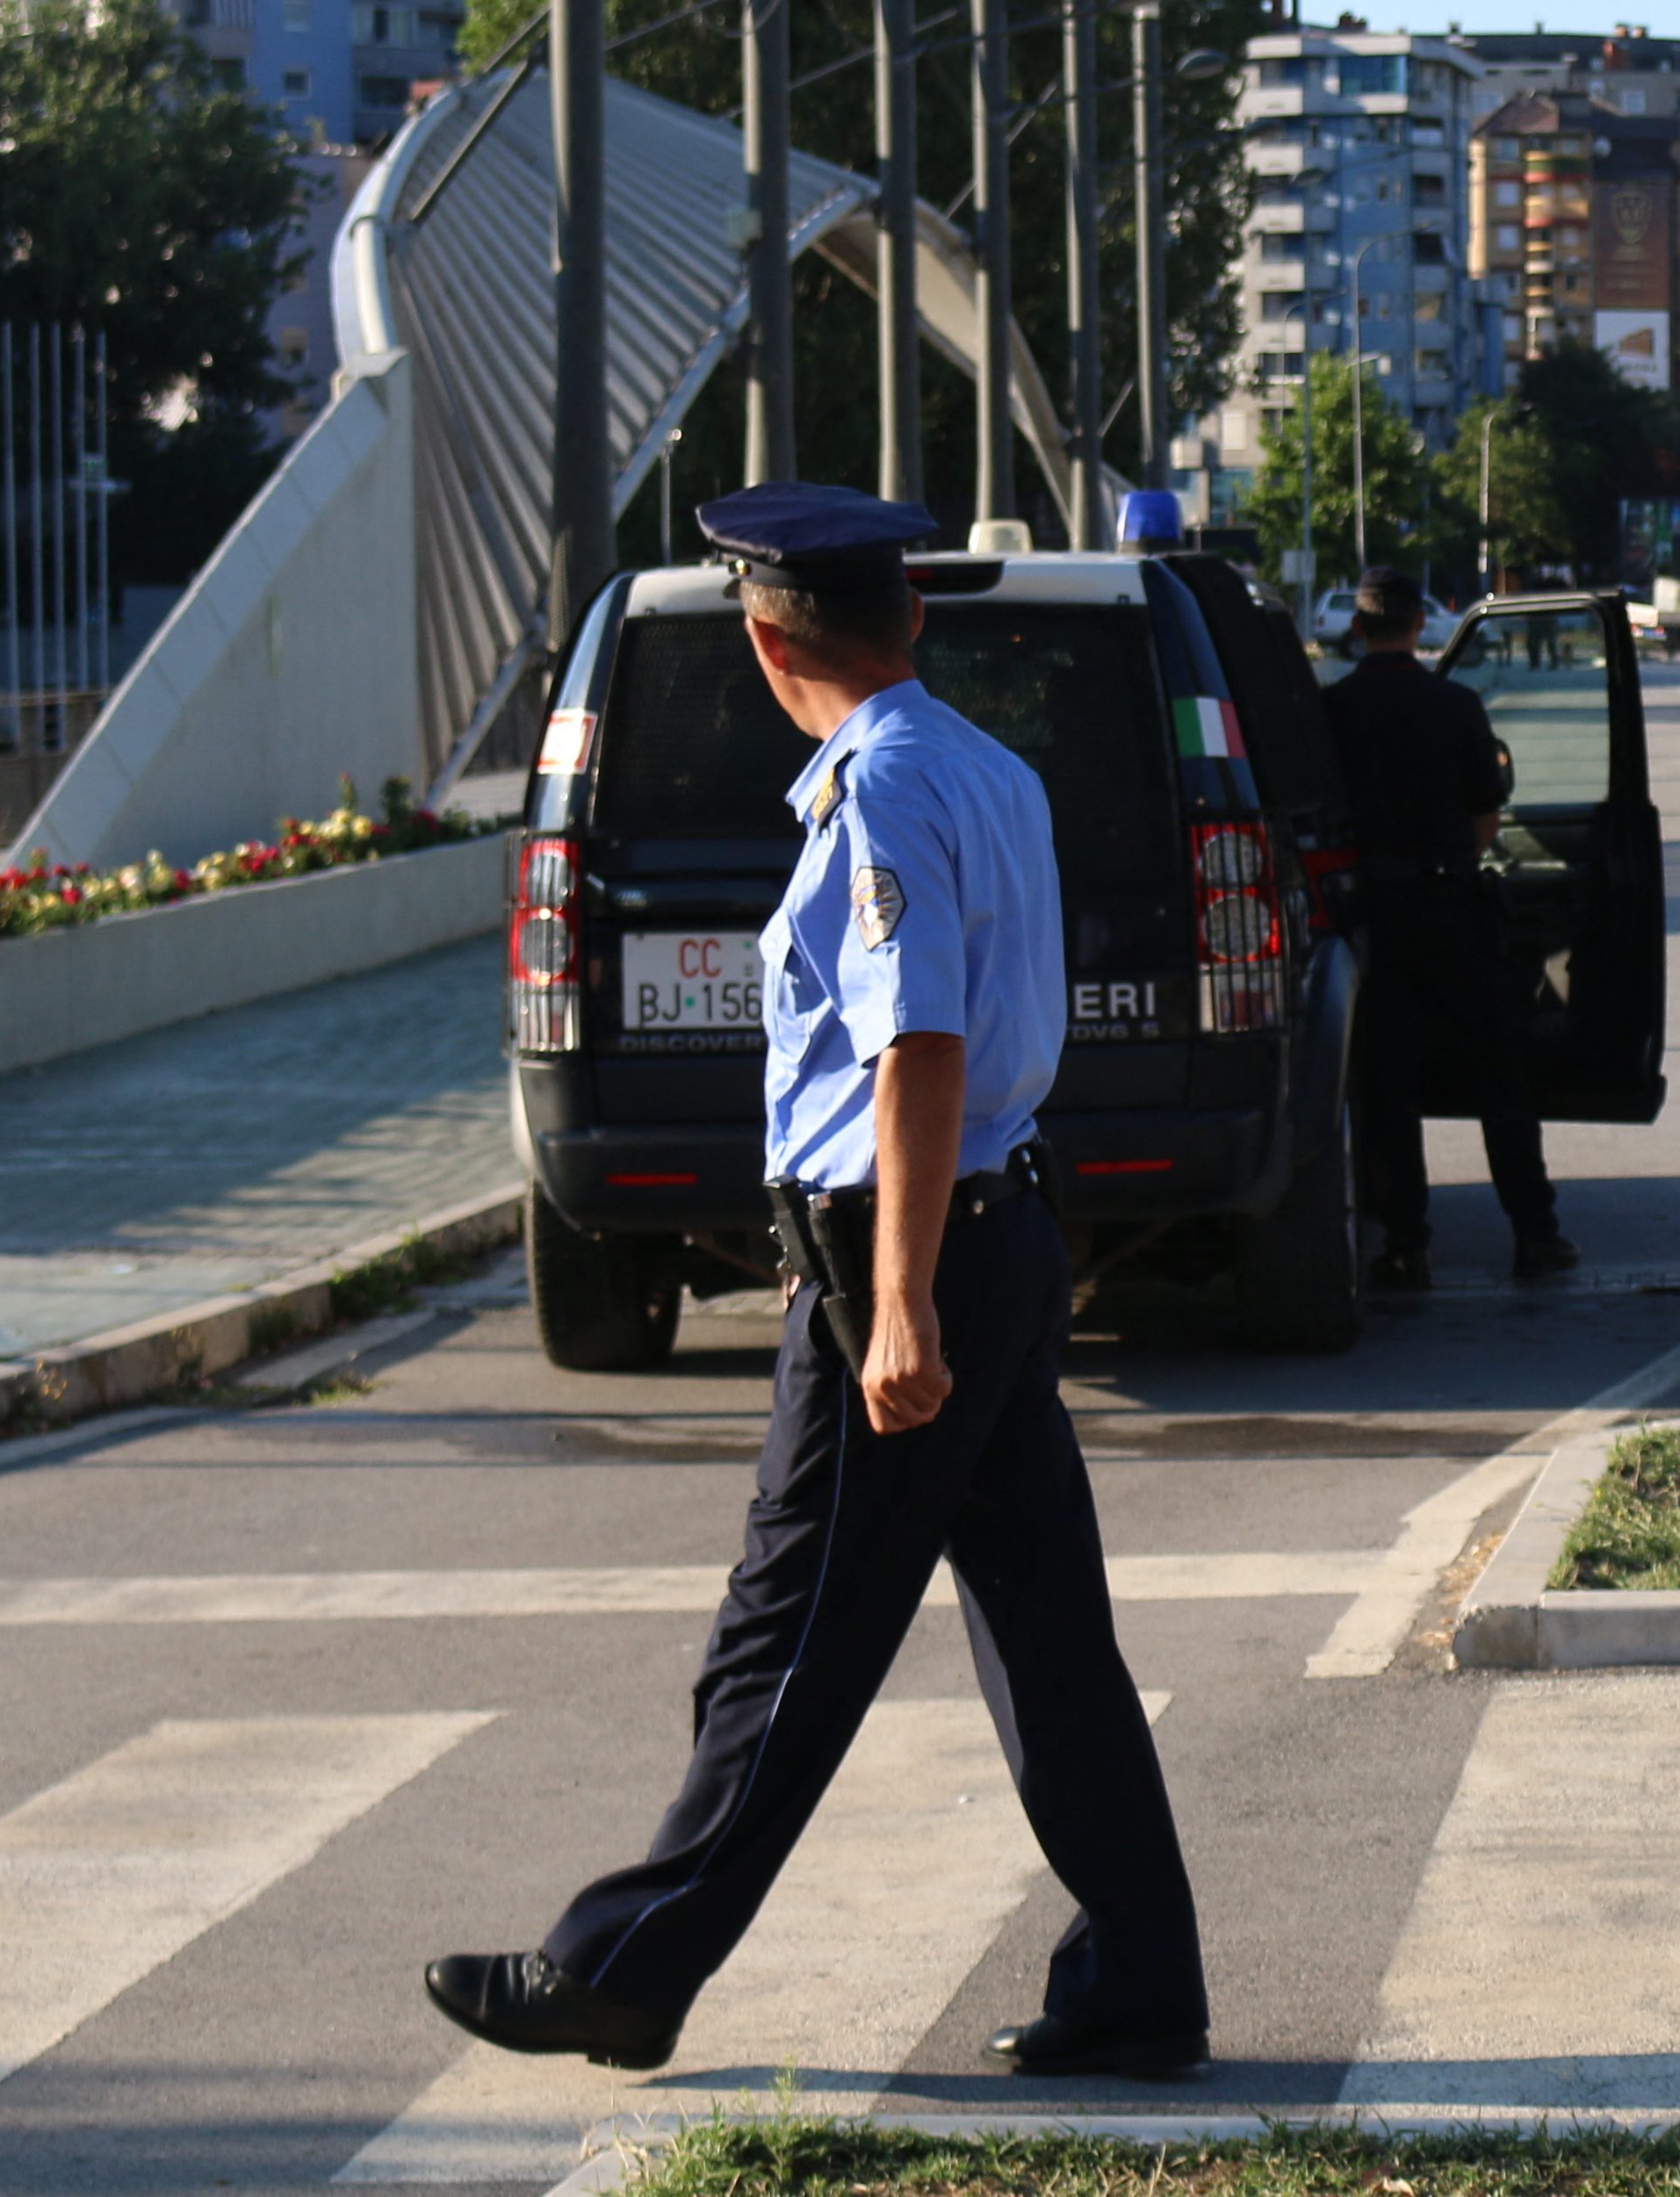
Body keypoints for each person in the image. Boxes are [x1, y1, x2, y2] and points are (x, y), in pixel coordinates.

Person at [425, 481, 1208, 2082]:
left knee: (784, 1636)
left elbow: (917, 1046)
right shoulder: (983, 767)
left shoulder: (880, 794)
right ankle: (1139, 1982)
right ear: (907, 618)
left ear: (767, 639)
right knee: (1049, 1640)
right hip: (989, 1230)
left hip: (911, 1257)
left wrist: (895, 1297)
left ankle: (622, 1968)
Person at [1319, 565, 1574, 1286]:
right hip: (1454, 913)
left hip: (1372, 919)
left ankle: (1407, 1246)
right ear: (1418, 627)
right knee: (1502, 1080)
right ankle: (1536, 1235)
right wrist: (1450, 862)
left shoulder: (1333, 711)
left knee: (1391, 1087)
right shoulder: (1457, 706)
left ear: (1359, 628)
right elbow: (1487, 816)